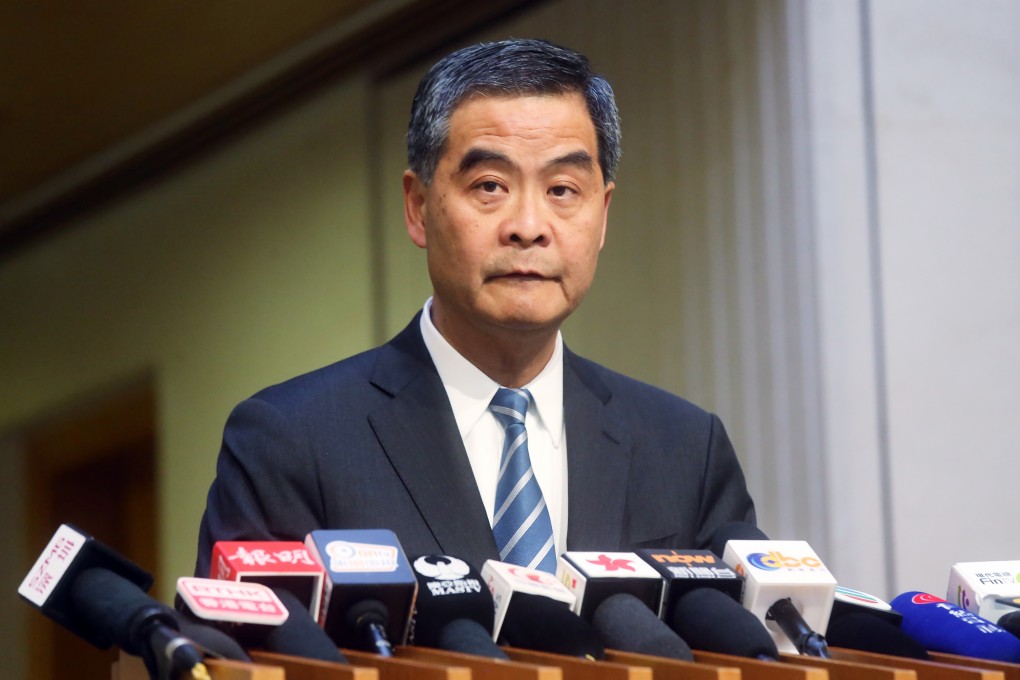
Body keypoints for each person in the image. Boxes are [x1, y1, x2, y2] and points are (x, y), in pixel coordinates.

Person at [194, 39, 754, 578]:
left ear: (602, 215)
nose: (528, 227)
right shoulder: (293, 440)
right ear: (418, 207)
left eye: (562, 190)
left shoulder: (685, 449)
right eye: (490, 186)